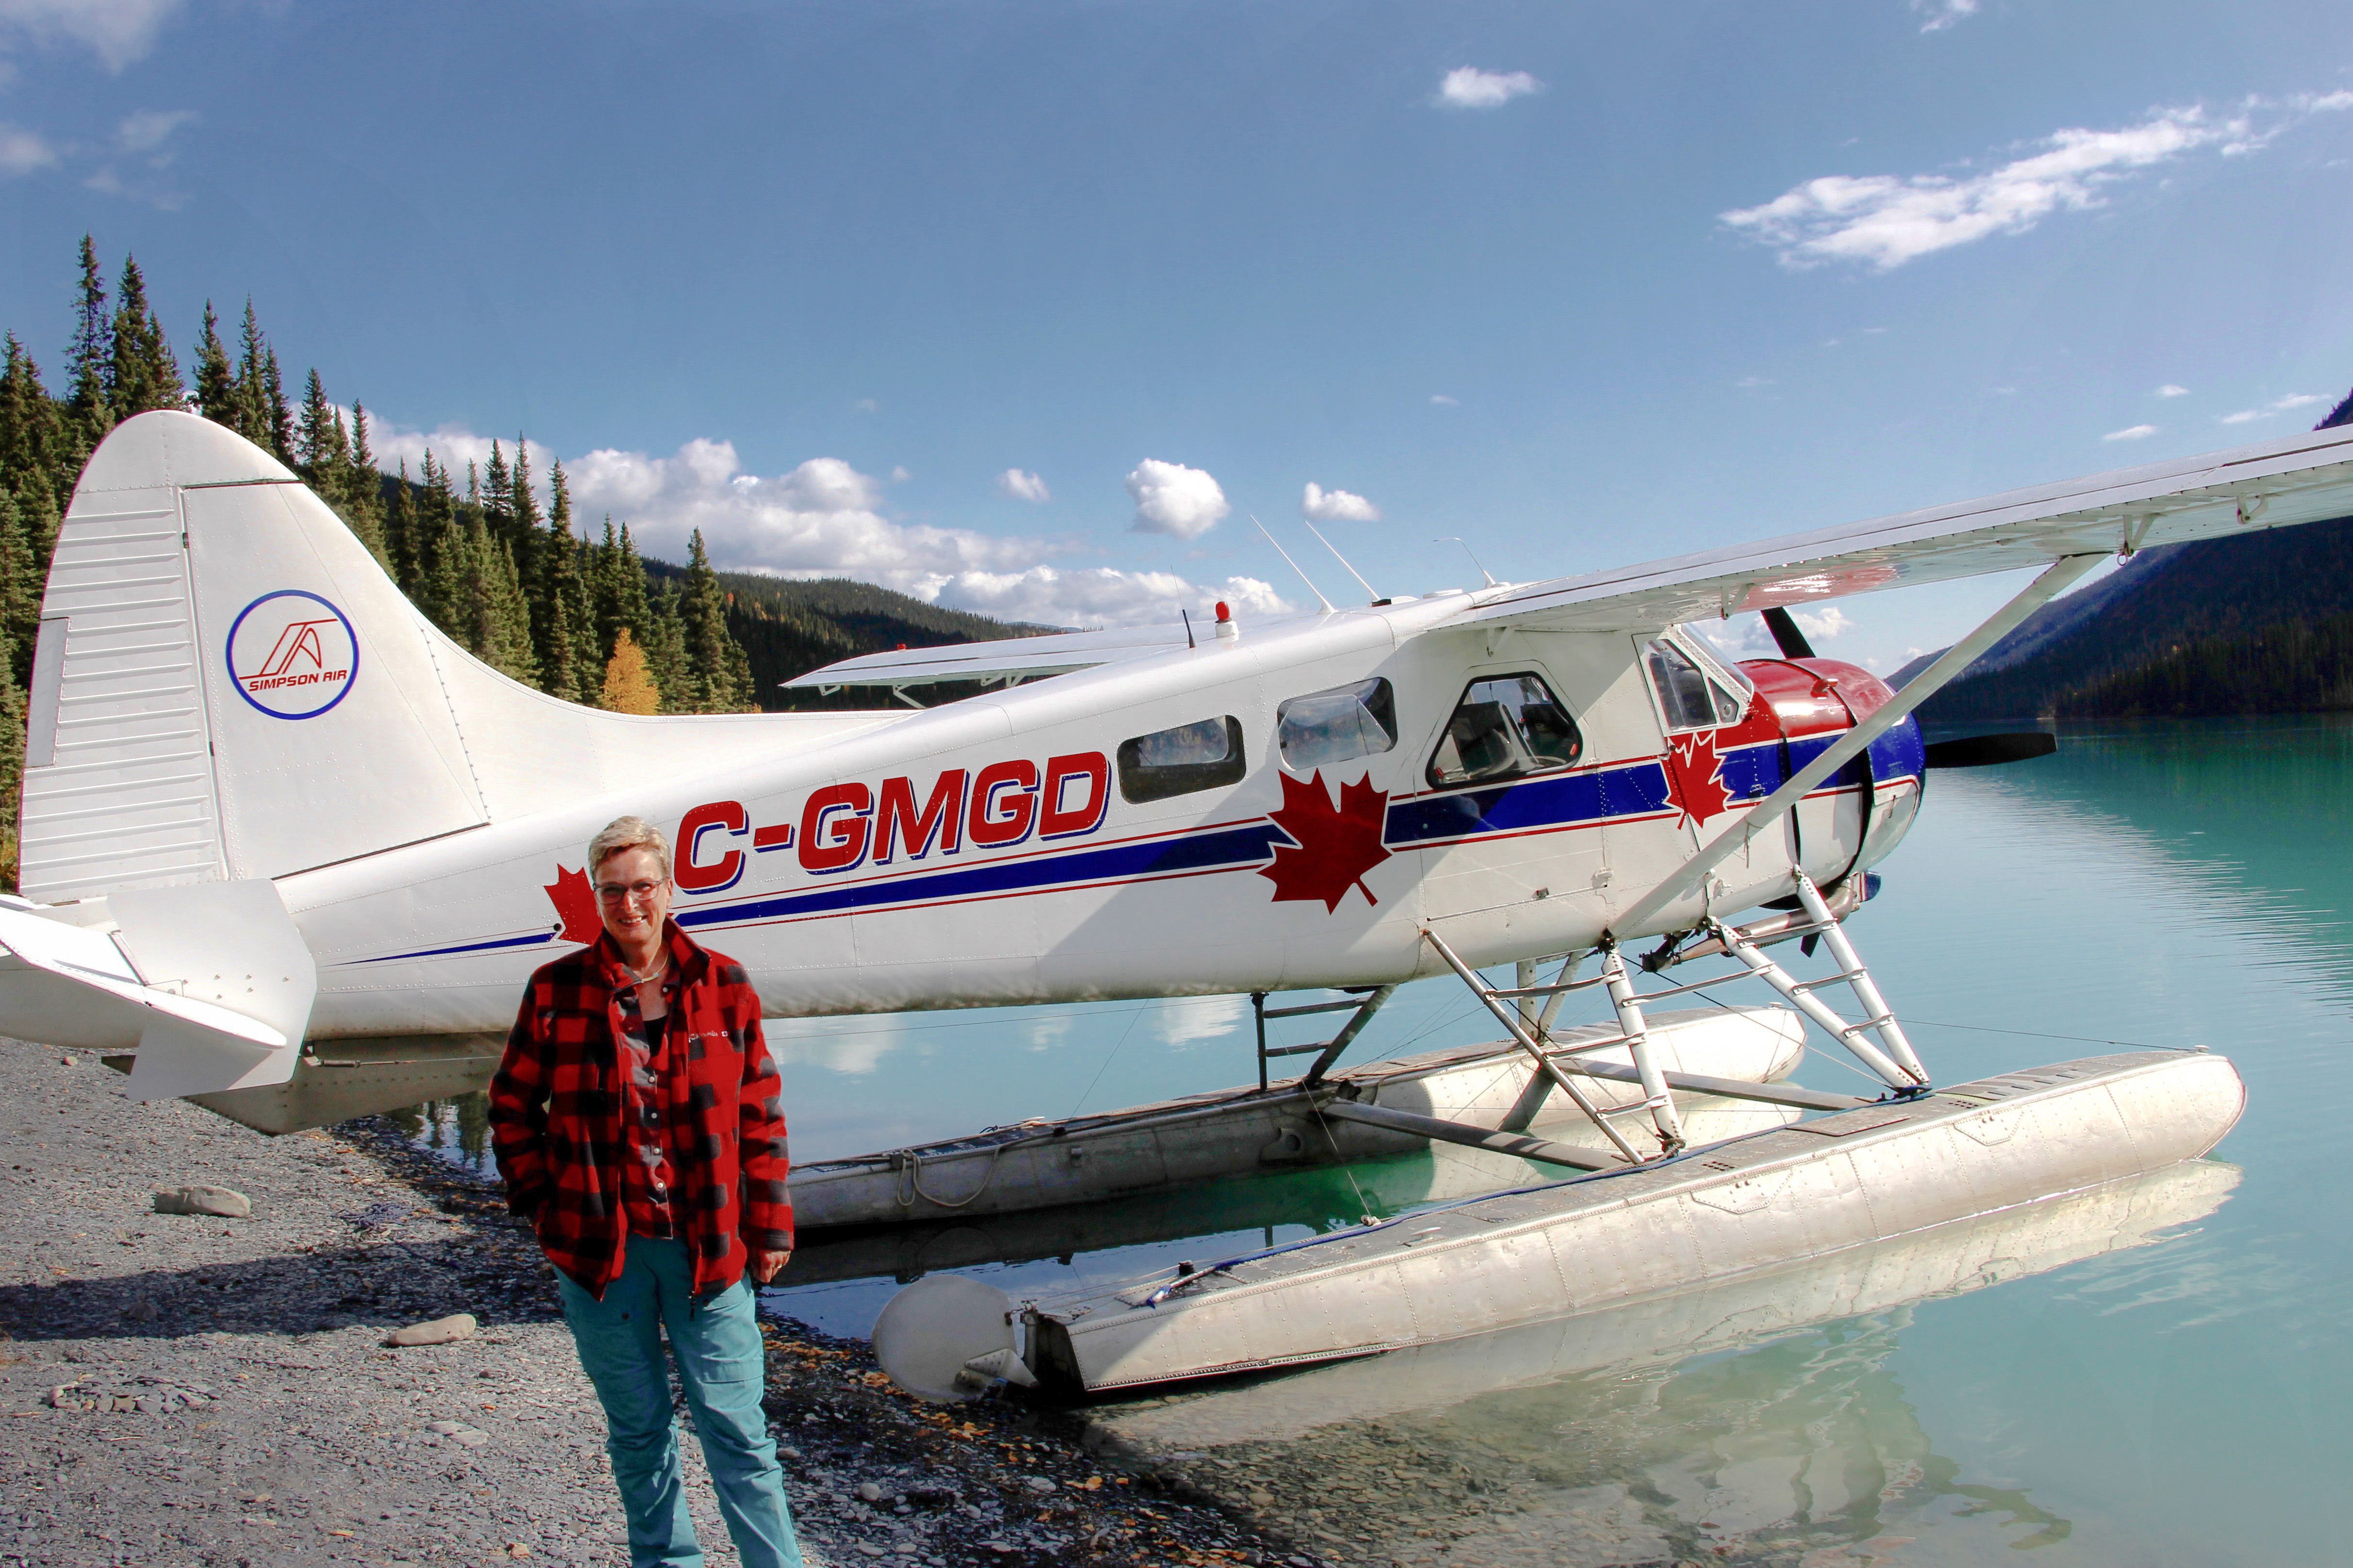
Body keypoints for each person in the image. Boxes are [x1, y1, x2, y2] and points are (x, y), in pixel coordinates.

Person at [489, 816, 803, 1568]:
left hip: (711, 1248)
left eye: (641, 887)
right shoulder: (556, 991)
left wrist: (772, 1229)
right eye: (611, 891)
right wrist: (544, 1206)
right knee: (638, 1433)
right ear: (595, 900)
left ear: (668, 889)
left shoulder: (724, 985)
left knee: (738, 1431)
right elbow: (509, 1106)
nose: (629, 904)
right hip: (602, 1257)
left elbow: (759, 1117)